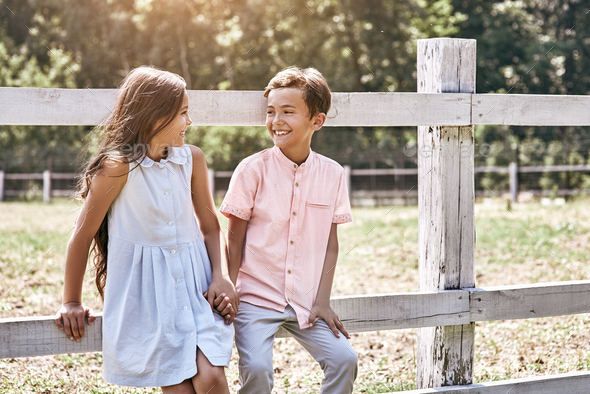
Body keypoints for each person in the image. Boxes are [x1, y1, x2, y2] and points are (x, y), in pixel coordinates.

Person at [54, 66, 237, 394]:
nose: (190, 122)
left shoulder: (192, 159)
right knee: (178, 387)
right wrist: (71, 301)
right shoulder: (117, 167)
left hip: (195, 286)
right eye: (183, 113)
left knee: (211, 379)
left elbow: (211, 228)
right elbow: (82, 236)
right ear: (156, 117)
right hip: (150, 296)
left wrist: (220, 277)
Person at [220, 66, 358, 394]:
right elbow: (233, 237)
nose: (276, 120)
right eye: (271, 112)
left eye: (288, 112)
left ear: (317, 121)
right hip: (255, 297)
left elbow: (330, 244)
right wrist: (230, 286)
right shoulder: (252, 170)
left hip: (307, 301)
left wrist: (322, 300)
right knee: (256, 369)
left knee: (345, 360)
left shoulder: (333, 174)